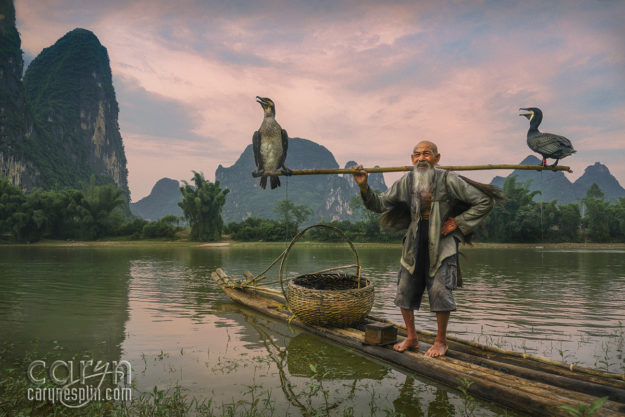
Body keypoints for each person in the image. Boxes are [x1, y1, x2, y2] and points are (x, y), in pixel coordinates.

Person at [352, 141, 494, 357]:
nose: (421, 158)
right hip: (414, 241)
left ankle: (440, 341)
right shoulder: (407, 181)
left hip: (442, 241)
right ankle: (412, 337)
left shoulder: (448, 179)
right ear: (411, 159)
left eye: (426, 154)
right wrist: (364, 186)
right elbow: (379, 205)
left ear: (437, 158)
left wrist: (458, 222)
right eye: (417, 155)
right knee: (404, 289)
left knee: (439, 290)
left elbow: (484, 201)